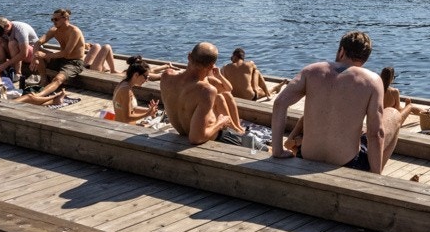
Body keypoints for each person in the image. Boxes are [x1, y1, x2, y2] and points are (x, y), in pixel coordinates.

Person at [270, 31, 401, 173]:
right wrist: (374, 176)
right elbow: (376, 133)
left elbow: (280, 103)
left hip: (306, 156)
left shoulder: (311, 70)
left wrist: (278, 150)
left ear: (342, 51)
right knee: (394, 114)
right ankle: (374, 173)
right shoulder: (373, 81)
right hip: (348, 163)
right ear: (365, 58)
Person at [160, 42, 256, 147]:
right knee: (262, 149)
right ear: (211, 66)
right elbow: (196, 138)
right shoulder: (206, 90)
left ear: (189, 57)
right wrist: (220, 122)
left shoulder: (166, 76)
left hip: (181, 133)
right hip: (217, 138)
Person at [33, 10, 88, 96]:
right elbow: (37, 43)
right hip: (61, 59)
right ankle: (44, 81)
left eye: (56, 19)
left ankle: (38, 96)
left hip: (74, 62)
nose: (54, 22)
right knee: (38, 52)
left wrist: (45, 55)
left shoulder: (74, 31)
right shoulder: (54, 30)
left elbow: (66, 53)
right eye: (52, 20)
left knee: (58, 78)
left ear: (65, 18)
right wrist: (35, 58)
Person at [0, 17, 41, 83]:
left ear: (7, 26)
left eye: (3, 32)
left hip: (32, 53)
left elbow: (24, 54)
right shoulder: (4, 29)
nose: (3, 34)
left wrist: (5, 64)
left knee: (12, 43)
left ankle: (18, 73)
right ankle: (5, 70)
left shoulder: (20, 30)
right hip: (16, 52)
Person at [109, 57, 159, 124]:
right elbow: (127, 118)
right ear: (136, 75)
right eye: (146, 77)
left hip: (124, 126)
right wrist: (147, 114)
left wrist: (149, 110)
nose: (147, 80)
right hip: (125, 129)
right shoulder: (125, 90)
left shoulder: (123, 84)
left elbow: (132, 109)